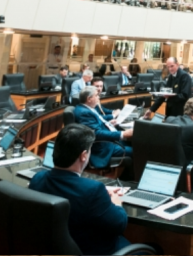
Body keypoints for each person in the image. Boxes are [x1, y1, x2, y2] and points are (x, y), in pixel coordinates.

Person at [29, 124, 132, 255]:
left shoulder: (37, 179)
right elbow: (119, 225)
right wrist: (116, 202)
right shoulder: (93, 190)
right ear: (83, 155)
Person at [74, 86, 134, 179]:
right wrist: (123, 134)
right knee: (135, 151)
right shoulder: (84, 113)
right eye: (97, 95)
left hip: (108, 141)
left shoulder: (86, 108)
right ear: (89, 99)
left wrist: (107, 123)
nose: (99, 97)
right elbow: (96, 134)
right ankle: (128, 179)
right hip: (102, 147)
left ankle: (126, 176)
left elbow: (97, 121)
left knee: (134, 143)